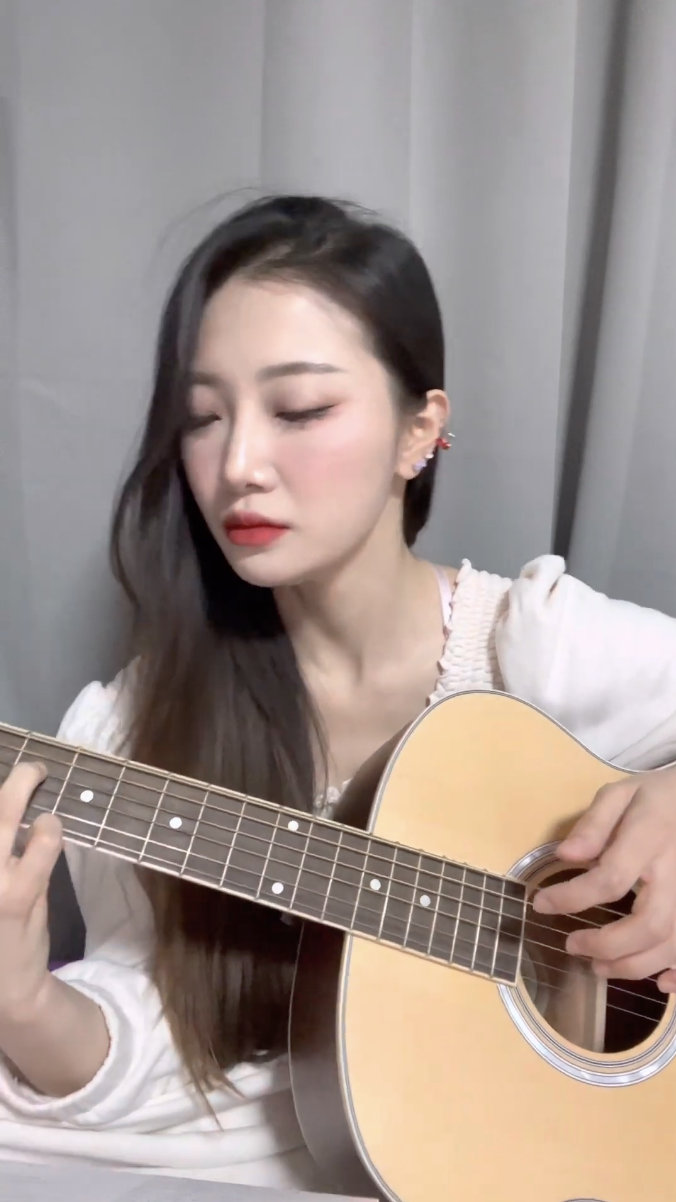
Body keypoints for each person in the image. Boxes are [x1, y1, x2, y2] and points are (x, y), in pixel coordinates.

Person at [2, 194, 676, 1192]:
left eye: (300, 411)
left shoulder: (535, 646)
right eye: (202, 418)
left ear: (419, 431)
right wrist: (23, 1005)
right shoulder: (130, 727)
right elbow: (154, 1043)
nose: (237, 465)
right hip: (287, 1145)